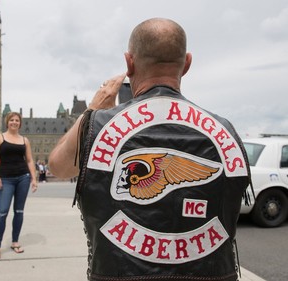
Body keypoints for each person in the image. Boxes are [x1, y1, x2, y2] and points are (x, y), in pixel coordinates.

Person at [48, 18, 251, 281]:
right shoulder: (226, 130)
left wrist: (92, 109)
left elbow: (58, 166)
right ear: (187, 64)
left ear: (129, 63)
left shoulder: (98, 124)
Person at [0, 112, 38, 261]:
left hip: (23, 177)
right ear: (7, 122)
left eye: (17, 120)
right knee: (2, 212)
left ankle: (15, 242)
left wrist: (33, 178)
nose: (14, 122)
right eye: (12, 120)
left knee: (19, 211)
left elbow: (29, 160)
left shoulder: (24, 140)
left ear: (20, 123)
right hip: (5, 179)